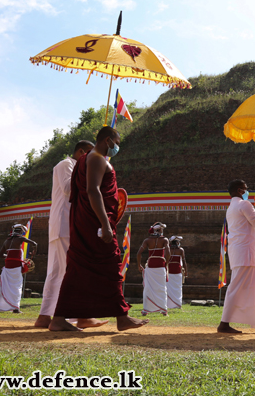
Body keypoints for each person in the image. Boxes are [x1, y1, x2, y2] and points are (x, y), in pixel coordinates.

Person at [49, 126, 148, 331]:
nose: (117, 147)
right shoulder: (95, 158)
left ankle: (60, 318)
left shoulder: (85, 160)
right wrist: (105, 224)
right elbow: (93, 191)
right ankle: (122, 317)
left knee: (79, 270)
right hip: (94, 225)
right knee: (111, 265)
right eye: (117, 143)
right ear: (108, 140)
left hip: (85, 223)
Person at [35, 140, 106, 329]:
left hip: (65, 225)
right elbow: (68, 189)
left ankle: (44, 316)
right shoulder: (66, 165)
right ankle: (81, 316)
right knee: (74, 269)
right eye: (90, 154)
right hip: (65, 224)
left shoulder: (75, 167)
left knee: (58, 272)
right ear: (81, 152)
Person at [218, 180, 255, 334]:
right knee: (237, 288)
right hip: (246, 253)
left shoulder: (231, 207)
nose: (249, 192)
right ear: (240, 190)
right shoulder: (244, 205)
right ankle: (224, 323)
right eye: (247, 190)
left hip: (242, 253)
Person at [0, 224, 36, 313]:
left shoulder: (6, 241)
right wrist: (33, 253)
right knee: (16, 287)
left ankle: (0, 307)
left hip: (7, 268)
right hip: (16, 268)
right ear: (21, 231)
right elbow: (34, 244)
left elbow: (0, 255)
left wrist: (9, 256)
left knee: (4, 287)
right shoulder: (20, 238)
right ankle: (15, 308)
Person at [137, 222, 171, 316]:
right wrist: (166, 263)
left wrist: (139, 265)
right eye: (162, 229)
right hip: (160, 265)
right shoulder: (164, 240)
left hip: (151, 265)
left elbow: (139, 253)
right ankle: (164, 310)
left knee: (148, 287)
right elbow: (168, 253)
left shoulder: (147, 240)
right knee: (161, 287)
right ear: (159, 230)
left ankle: (146, 310)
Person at [167, 235, 187, 309]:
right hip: (177, 272)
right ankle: (177, 305)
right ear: (177, 242)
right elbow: (184, 262)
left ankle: (169, 305)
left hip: (169, 272)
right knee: (178, 289)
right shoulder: (181, 250)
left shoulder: (168, 249)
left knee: (168, 289)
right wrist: (186, 271)